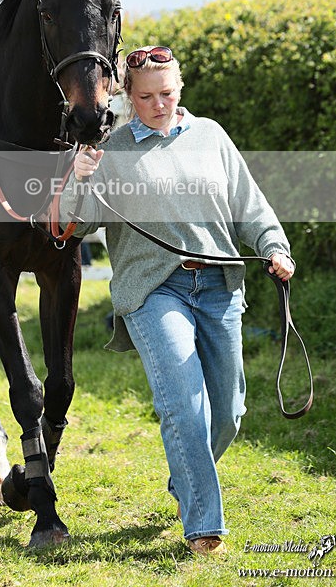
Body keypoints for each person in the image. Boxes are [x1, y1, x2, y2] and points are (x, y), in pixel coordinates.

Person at [59, 45, 294, 556]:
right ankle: (204, 527)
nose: (158, 104)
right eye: (145, 97)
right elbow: (70, 226)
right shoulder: (113, 151)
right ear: (128, 96)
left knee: (229, 411)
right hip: (153, 290)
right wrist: (75, 182)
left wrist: (274, 246)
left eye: (166, 93)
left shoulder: (210, 136)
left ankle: (186, 478)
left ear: (179, 89)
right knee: (184, 404)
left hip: (219, 286)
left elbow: (249, 204)